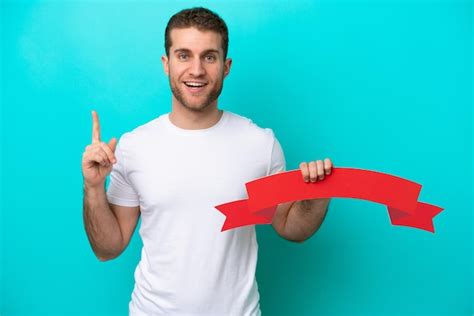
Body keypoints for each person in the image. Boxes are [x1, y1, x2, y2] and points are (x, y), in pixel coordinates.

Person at [82, 7, 333, 316]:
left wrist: (316, 197)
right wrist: (94, 187)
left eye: (209, 57)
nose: (197, 70)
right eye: (184, 55)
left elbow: (289, 228)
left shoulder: (260, 144)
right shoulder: (135, 147)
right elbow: (108, 248)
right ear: (167, 63)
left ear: (226, 66)